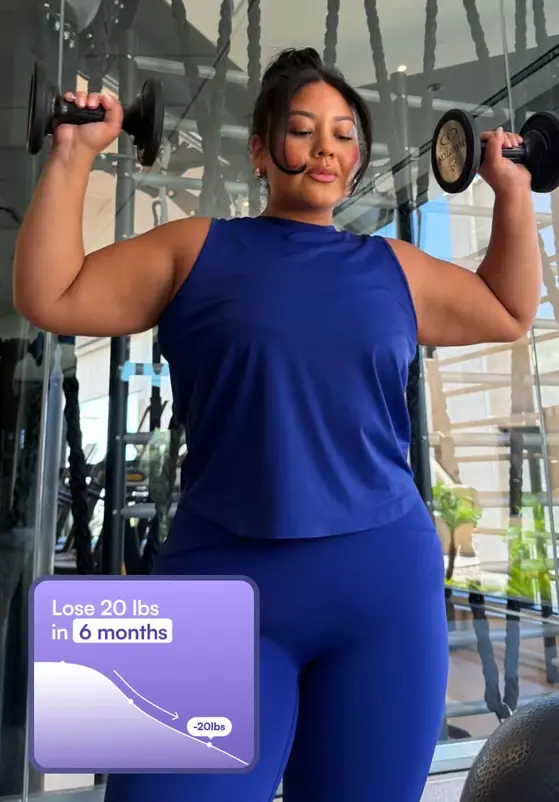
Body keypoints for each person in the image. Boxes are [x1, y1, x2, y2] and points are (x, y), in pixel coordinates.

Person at [14, 46, 540, 802]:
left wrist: (511, 191)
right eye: (302, 130)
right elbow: (51, 294)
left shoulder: (393, 266)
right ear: (260, 151)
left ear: (356, 161)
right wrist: (73, 154)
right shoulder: (196, 248)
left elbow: (509, 308)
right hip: (218, 580)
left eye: (343, 134)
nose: (326, 147)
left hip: (382, 588)